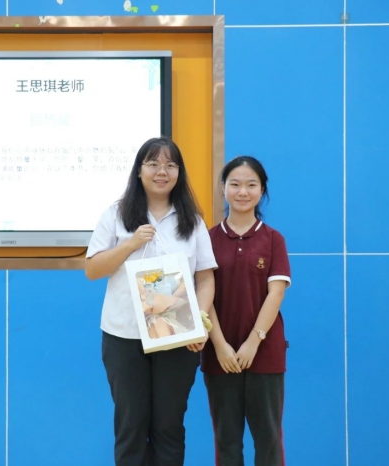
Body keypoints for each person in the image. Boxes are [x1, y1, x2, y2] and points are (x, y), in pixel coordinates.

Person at [85, 136, 217, 466]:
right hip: (124, 335)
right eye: (154, 164)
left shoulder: (192, 220)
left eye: (171, 165)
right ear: (139, 170)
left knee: (169, 426)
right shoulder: (116, 214)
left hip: (177, 335)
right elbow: (93, 269)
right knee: (131, 425)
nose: (162, 171)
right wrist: (129, 244)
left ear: (179, 172)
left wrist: (200, 322)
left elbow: (205, 278)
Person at [201, 156, 291, 466]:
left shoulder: (273, 239)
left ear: (262, 189)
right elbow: (204, 295)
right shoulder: (207, 239)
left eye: (251, 185)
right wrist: (220, 345)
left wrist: (254, 342)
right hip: (220, 355)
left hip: (265, 353)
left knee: (268, 440)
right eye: (235, 184)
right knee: (226, 441)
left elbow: (276, 293)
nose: (243, 192)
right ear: (223, 188)